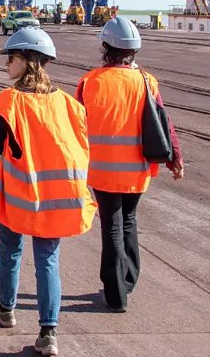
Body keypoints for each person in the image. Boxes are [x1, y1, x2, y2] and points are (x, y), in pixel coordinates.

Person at [0, 27, 95, 357]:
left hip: (16, 195)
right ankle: (48, 333)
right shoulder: (69, 104)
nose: (7, 66)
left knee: (10, 253)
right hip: (55, 199)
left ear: (28, 61)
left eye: (11, 59)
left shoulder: (11, 100)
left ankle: (6, 309)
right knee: (48, 261)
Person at [75, 17, 184, 313]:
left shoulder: (90, 82)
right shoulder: (147, 81)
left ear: (105, 47)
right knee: (129, 221)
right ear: (134, 51)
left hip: (101, 169)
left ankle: (115, 294)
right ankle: (128, 280)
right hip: (136, 170)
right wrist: (175, 157)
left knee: (111, 226)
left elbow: (76, 125)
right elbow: (164, 122)